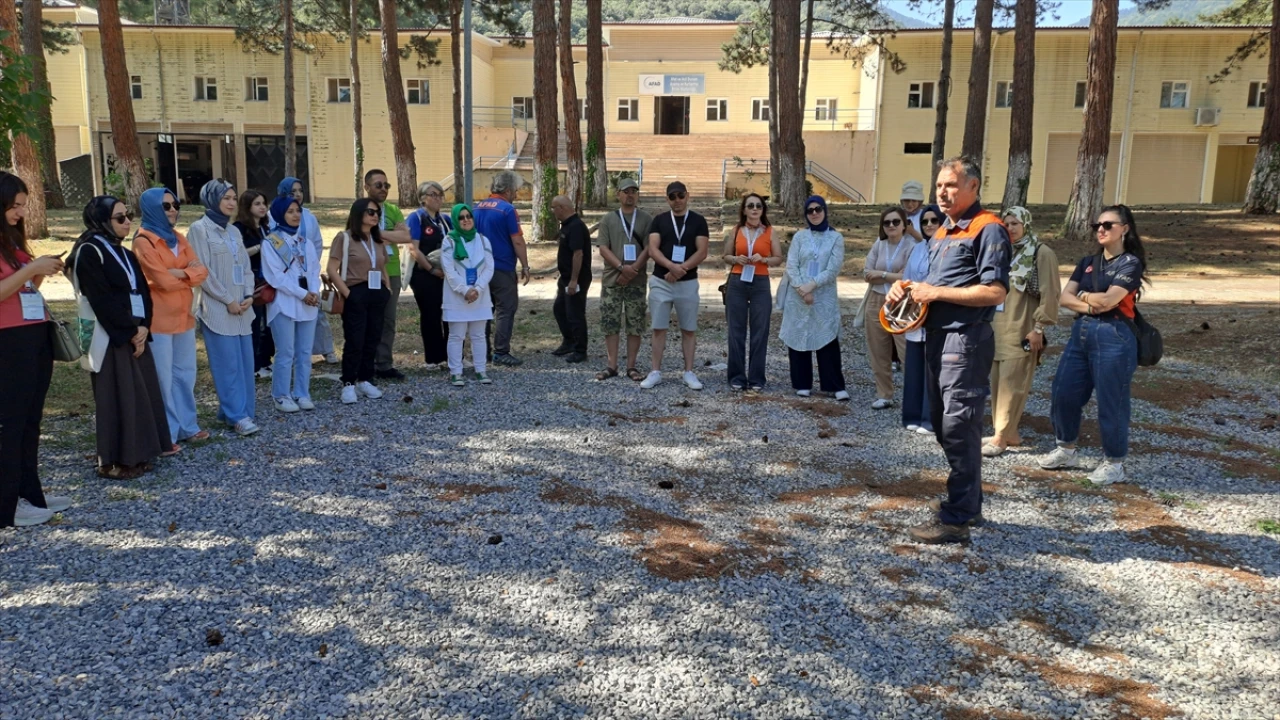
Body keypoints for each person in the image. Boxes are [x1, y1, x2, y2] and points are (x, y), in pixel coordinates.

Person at [886, 157, 1010, 544]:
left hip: (966, 340)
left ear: (973, 186)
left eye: (951, 185)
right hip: (936, 337)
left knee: (958, 426)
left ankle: (956, 519)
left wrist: (935, 292)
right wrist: (905, 287)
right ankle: (968, 504)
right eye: (939, 185)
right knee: (945, 426)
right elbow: (932, 284)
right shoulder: (943, 231)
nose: (942, 192)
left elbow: (995, 291)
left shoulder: (988, 228)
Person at [1038, 205, 1147, 486]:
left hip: (1115, 335)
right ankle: (1066, 449)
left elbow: (1110, 301)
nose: (1101, 229)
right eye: (1097, 225)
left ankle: (1114, 463)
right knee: (1063, 391)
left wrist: (1084, 295)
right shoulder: (1088, 261)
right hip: (1082, 331)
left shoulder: (1130, 263)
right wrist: (1090, 303)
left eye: (1108, 225)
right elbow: (1064, 298)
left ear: (1125, 229)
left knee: (1112, 401)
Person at [68, 196, 174, 477]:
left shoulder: (124, 252)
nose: (127, 222)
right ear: (101, 221)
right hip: (112, 335)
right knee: (117, 396)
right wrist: (129, 331)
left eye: (128, 216)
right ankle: (114, 461)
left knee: (140, 393)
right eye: (119, 218)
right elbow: (100, 298)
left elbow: (143, 292)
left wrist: (144, 326)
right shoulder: (89, 251)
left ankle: (140, 453)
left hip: (135, 333)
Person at [0, 172, 71, 527]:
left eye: (24, 206)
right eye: (15, 206)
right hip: (9, 341)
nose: (21, 213)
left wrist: (40, 270)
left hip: (33, 337)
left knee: (30, 421)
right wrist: (32, 268)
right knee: (11, 424)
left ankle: (30, 492)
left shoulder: (11, 242)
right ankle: (7, 503)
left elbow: (25, 287)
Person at [133, 187, 209, 446]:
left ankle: (188, 426)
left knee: (185, 374)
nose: (173, 210)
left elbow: (202, 272)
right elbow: (162, 281)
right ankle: (167, 433)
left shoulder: (178, 238)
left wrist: (179, 273)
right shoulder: (143, 241)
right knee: (163, 379)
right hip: (159, 321)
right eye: (166, 206)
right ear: (152, 208)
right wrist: (187, 274)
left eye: (176, 205)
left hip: (184, 317)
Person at [983, 206, 1061, 457]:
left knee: (1013, 382)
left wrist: (1038, 328)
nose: (1010, 228)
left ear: (1026, 224)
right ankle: (1007, 432)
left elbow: (1050, 293)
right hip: (998, 326)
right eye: (1006, 224)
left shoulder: (1040, 252)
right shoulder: (1003, 251)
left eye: (1015, 223)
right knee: (998, 382)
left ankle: (1000, 437)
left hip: (1023, 327)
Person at [189, 178, 259, 436]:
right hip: (218, 309)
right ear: (212, 199)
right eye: (225, 198)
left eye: (233, 198)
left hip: (242, 307)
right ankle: (236, 415)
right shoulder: (199, 230)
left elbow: (245, 268)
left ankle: (238, 410)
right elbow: (202, 272)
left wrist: (249, 294)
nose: (231, 203)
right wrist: (227, 299)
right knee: (227, 364)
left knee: (244, 363)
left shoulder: (233, 231)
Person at [779, 195, 849, 401]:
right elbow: (791, 265)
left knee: (827, 338)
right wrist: (802, 289)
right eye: (810, 210)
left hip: (823, 295)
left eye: (818, 209)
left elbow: (833, 269)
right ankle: (802, 383)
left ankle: (833, 385)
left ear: (825, 211)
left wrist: (812, 285)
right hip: (797, 294)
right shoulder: (800, 237)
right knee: (799, 336)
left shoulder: (836, 238)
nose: (815, 213)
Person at [641, 181, 710, 390]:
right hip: (662, 281)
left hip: (687, 282)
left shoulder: (698, 221)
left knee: (688, 329)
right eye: (672, 197)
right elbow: (653, 249)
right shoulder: (659, 220)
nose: (677, 200)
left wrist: (682, 269)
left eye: (680, 195)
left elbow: (702, 251)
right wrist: (671, 266)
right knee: (658, 328)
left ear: (687, 196)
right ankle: (655, 371)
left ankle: (689, 372)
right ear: (667, 199)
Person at [262, 196, 321, 412]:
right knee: (285, 351)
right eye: (290, 211)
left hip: (308, 302)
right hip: (284, 303)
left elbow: (314, 270)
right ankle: (281, 395)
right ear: (279, 214)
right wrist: (302, 293)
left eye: (298, 211)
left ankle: (302, 392)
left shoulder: (305, 243)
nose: (296, 215)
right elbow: (276, 277)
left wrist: (313, 291)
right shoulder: (271, 243)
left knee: (304, 352)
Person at [328, 198, 389, 404]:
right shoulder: (344, 238)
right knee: (355, 339)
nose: (375, 216)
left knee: (373, 337)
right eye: (371, 212)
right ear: (358, 213)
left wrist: (387, 289)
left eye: (377, 213)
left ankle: (365, 379)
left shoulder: (377, 239)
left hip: (377, 292)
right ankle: (348, 382)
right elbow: (331, 269)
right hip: (355, 291)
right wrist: (348, 294)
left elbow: (382, 266)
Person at [721, 193, 781, 391]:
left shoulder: (770, 231)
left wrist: (764, 260)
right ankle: (737, 377)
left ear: (763, 210)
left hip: (760, 283)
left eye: (758, 206)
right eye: (751, 206)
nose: (755, 209)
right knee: (736, 331)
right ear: (744, 210)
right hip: (738, 282)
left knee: (760, 331)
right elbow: (725, 255)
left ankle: (756, 379)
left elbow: (778, 258)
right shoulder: (736, 230)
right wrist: (735, 259)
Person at [594, 177, 651, 382]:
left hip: (636, 280)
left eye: (633, 191)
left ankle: (631, 366)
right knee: (611, 322)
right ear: (618, 194)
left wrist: (633, 269)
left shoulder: (646, 219)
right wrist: (621, 268)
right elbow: (603, 248)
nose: (630, 195)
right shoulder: (608, 219)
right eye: (626, 191)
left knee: (635, 323)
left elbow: (649, 248)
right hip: (613, 279)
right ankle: (612, 365)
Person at [276, 177, 338, 364]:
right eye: (292, 191)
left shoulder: (309, 217)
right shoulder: (274, 216)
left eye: (300, 191)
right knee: (291, 313)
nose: (297, 195)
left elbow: (317, 243)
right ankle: (295, 353)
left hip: (307, 273)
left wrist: (310, 267)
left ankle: (326, 349)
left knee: (315, 309)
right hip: (287, 275)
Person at [473, 170, 530, 366]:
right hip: (501, 267)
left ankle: (483, 351)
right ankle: (501, 351)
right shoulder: (507, 210)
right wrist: (525, 265)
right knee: (506, 308)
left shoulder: (476, 207)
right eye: (515, 190)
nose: (516, 194)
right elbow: (517, 240)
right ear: (507, 190)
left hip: (479, 268)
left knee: (483, 310)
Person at [862, 206, 916, 409]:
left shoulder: (911, 246)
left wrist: (881, 274)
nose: (891, 225)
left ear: (904, 225)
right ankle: (884, 394)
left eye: (895, 222)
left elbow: (908, 277)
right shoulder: (879, 244)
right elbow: (866, 273)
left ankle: (914, 396)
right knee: (878, 350)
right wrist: (893, 276)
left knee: (906, 351)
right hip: (876, 299)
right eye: (887, 222)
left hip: (901, 302)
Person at [441, 203, 495, 386]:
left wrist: (478, 288)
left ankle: (481, 370)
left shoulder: (483, 240)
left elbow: (489, 267)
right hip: (457, 295)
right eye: (461, 217)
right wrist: (465, 290)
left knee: (479, 335)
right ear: (455, 220)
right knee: (456, 335)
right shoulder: (449, 241)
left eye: (468, 216)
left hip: (480, 295)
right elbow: (449, 270)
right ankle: (456, 372)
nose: (465, 220)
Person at [365, 169, 410, 381]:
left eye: (386, 185)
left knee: (388, 320)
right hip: (367, 271)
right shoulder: (361, 208)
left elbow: (406, 236)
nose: (383, 189)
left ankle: (384, 364)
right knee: (369, 319)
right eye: (378, 185)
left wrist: (378, 233)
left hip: (391, 271)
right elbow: (361, 235)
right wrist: (393, 234)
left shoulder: (393, 209)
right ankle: (367, 364)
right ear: (367, 187)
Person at [901, 205, 942, 435]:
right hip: (916, 316)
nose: (928, 225)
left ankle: (930, 419)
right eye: (924, 221)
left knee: (932, 370)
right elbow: (907, 279)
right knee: (914, 369)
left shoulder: (949, 249)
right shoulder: (917, 249)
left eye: (934, 220)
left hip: (937, 315)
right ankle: (913, 415)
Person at [405, 180, 451, 369]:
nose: (438, 198)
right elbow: (413, 248)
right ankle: (433, 358)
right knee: (431, 315)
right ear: (423, 198)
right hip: (424, 274)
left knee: (450, 314)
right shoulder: (416, 218)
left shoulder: (445, 220)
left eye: (440, 195)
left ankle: (452, 356)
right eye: (433, 195)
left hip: (446, 275)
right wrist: (431, 269)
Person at [234, 190, 274, 378]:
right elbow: (238, 254)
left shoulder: (266, 227)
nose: (262, 207)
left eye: (264, 203)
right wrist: (260, 247)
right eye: (257, 204)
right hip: (251, 282)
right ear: (247, 206)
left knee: (268, 324)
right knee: (255, 324)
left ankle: (265, 360)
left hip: (268, 280)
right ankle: (253, 366)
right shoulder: (239, 228)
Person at [551, 195, 592, 364]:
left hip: (577, 278)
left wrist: (574, 280)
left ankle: (580, 350)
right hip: (565, 277)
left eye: (554, 208)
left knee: (575, 313)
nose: (553, 211)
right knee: (559, 309)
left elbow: (578, 254)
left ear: (562, 208)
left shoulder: (576, 226)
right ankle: (569, 341)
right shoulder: (567, 225)